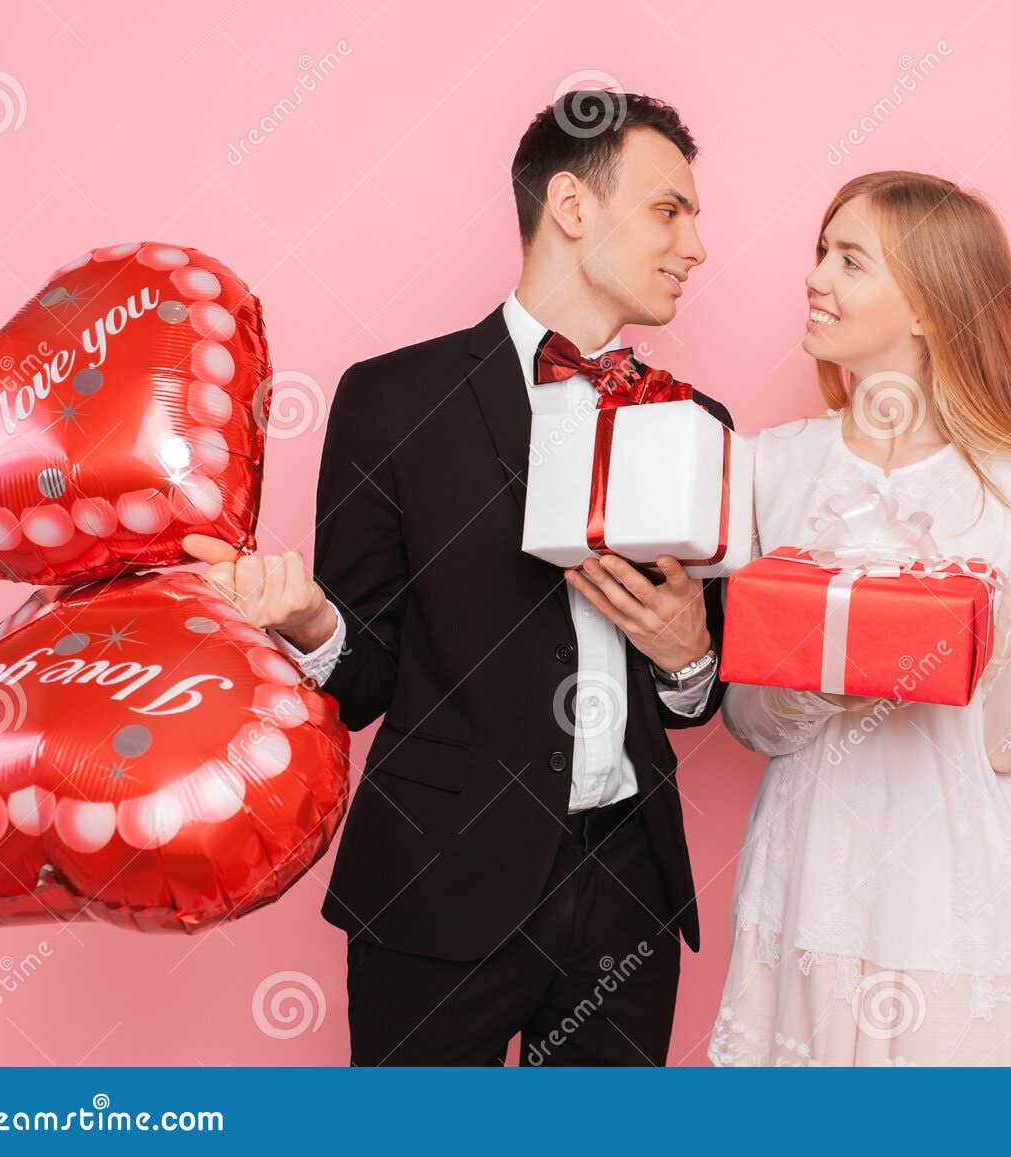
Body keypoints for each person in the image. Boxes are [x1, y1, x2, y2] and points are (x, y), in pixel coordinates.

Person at [183, 92, 731, 1066]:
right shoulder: (391, 399)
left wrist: (689, 656)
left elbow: (695, 696)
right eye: (669, 208)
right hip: (434, 885)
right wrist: (311, 620)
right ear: (571, 206)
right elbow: (368, 677)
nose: (695, 244)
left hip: (629, 896)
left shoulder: (702, 423)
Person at [708, 170, 1011, 1066]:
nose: (815, 278)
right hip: (812, 875)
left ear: (929, 306)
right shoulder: (772, 464)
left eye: (850, 260)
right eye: (819, 253)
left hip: (959, 892)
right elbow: (747, 720)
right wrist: (840, 674)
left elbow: (1004, 740)